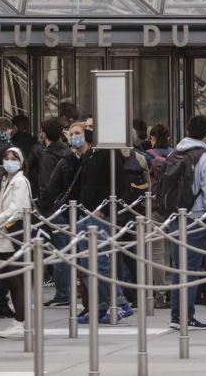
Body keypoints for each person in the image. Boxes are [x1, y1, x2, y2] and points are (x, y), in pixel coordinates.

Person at [73, 121, 132, 324]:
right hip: (87, 214)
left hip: (101, 215)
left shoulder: (109, 153)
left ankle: (119, 302)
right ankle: (99, 305)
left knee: (103, 263)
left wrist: (104, 210)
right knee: (88, 264)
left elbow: (120, 186)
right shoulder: (89, 155)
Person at [168, 115, 206, 331]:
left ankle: (176, 314)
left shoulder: (175, 153)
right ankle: (185, 315)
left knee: (178, 267)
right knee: (190, 269)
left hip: (173, 218)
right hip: (196, 218)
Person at [0, 147, 34, 339]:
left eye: (13, 158)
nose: (9, 161)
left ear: (21, 161)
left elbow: (17, 208)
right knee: (12, 279)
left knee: (16, 280)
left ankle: (21, 320)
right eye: (6, 157)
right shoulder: (7, 181)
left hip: (12, 234)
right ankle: (19, 319)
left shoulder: (20, 181)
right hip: (6, 234)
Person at [37, 132, 83, 309]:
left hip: (61, 211)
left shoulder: (61, 160)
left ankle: (63, 293)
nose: (74, 136)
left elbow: (50, 186)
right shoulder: (74, 159)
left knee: (61, 253)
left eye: (77, 133)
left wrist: (43, 206)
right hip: (79, 210)